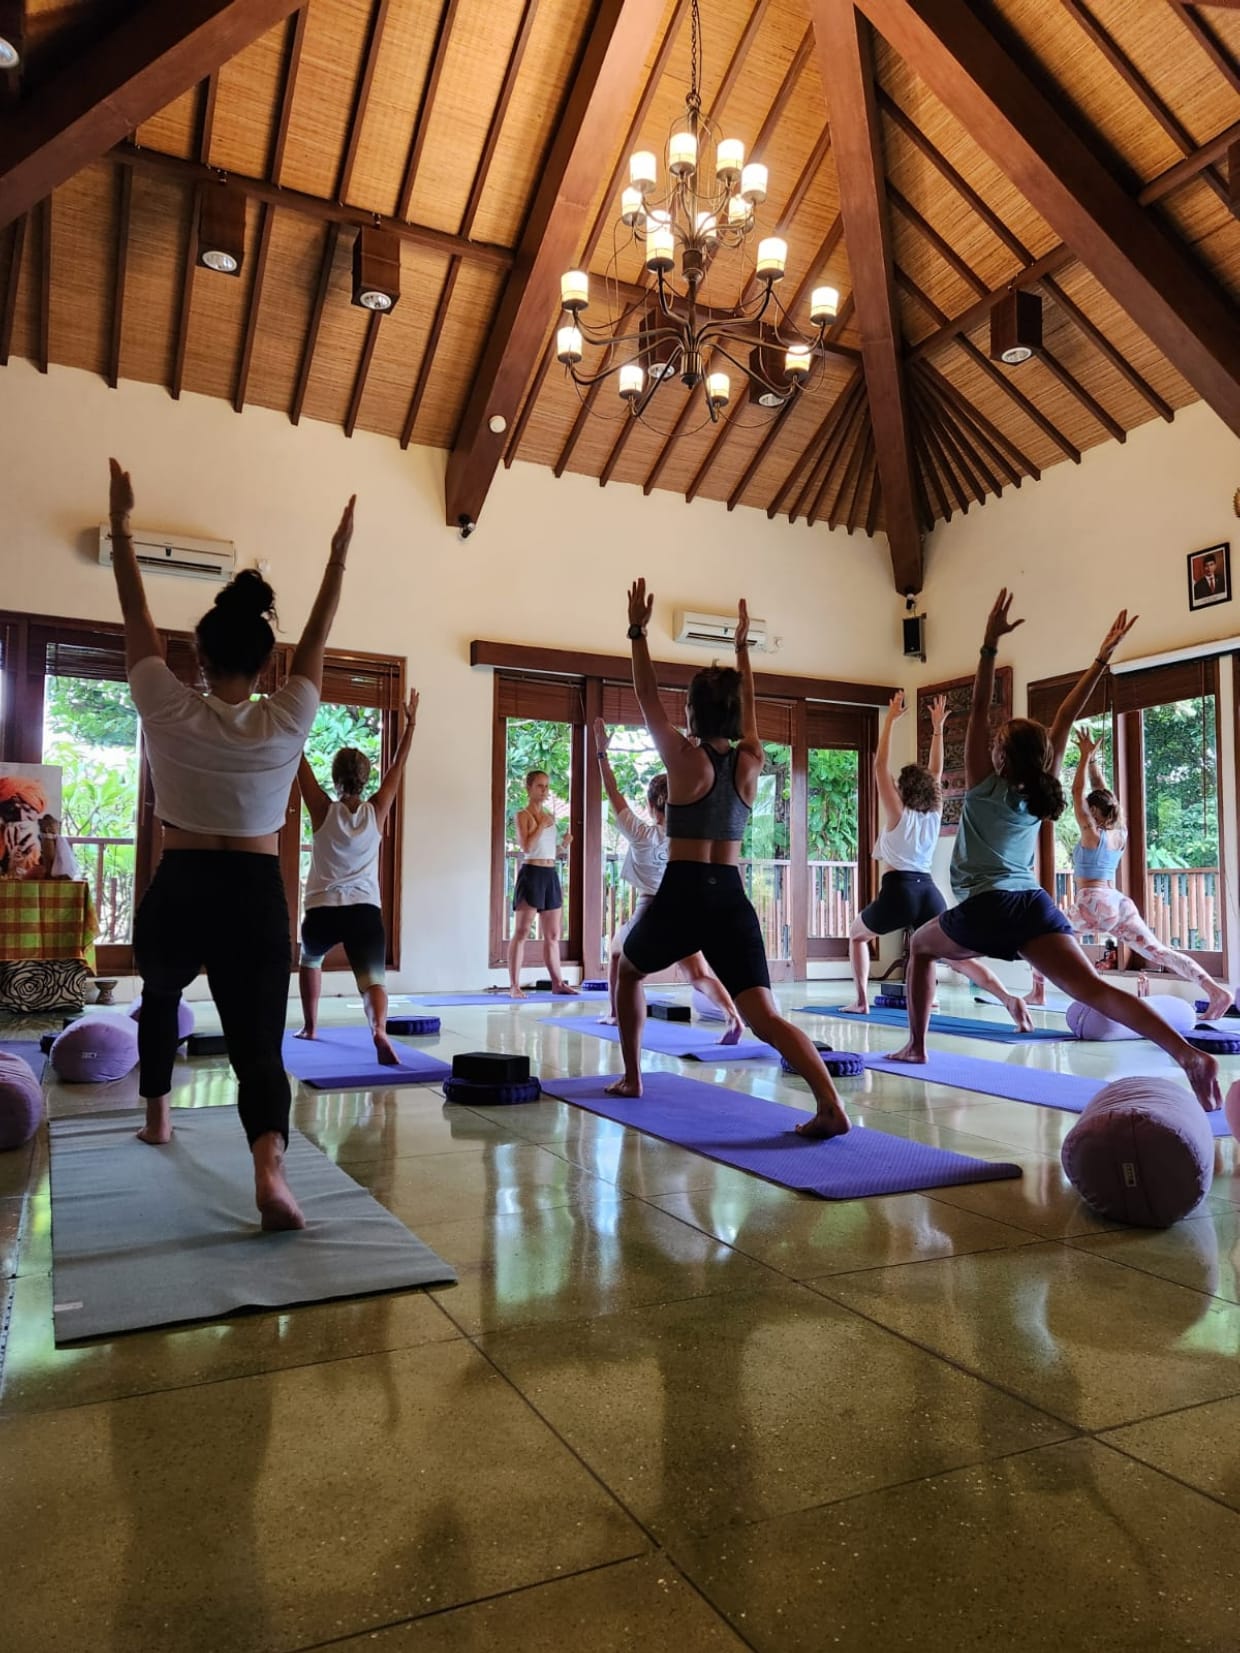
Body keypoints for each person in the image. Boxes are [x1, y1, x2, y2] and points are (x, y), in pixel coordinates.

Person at [107, 456, 356, 1229]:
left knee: (158, 995)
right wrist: (338, 556)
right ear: (269, 663)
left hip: (180, 884)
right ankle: (268, 1168)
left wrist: (120, 528)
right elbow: (317, 630)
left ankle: (157, 1117)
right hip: (253, 894)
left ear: (198, 657)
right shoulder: (287, 718)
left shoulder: (165, 704)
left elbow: (134, 614)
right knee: (258, 1042)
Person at [888, 589, 1222, 1114]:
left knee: (924, 949)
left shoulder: (982, 782)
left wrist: (987, 646)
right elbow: (1065, 715)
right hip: (1031, 905)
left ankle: (917, 1046)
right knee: (1091, 988)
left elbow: (977, 707)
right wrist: (1100, 659)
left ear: (999, 753)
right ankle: (1188, 1056)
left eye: (997, 742)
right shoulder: (1041, 788)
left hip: (987, 906)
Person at [608, 580, 851, 1140]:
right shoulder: (751, 759)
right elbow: (751, 714)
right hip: (730, 896)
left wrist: (639, 632)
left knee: (628, 970)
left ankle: (632, 1078)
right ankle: (830, 1105)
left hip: (683, 890)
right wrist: (743, 650)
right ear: (736, 714)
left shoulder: (684, 759)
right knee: (765, 1015)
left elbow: (646, 697)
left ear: (692, 711)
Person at [839, 689, 1034, 1030]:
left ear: (903, 790)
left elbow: (879, 766)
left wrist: (890, 722)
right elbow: (937, 769)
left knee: (857, 935)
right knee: (955, 956)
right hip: (928, 890)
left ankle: (860, 1000)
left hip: (899, 891)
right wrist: (938, 728)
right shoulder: (935, 810)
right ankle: (1008, 997)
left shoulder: (897, 812)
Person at [1028, 727, 1232, 1019]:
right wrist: (1095, 762)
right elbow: (1104, 794)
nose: (1084, 809)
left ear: (1094, 813)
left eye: (1089, 808)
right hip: (1118, 902)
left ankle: (1038, 992)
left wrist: (1084, 757)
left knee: (1042, 938)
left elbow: (1075, 792)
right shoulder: (1119, 832)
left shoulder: (1092, 834)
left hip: (1092, 902)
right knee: (1160, 951)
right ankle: (1215, 990)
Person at [593, 716, 744, 1042]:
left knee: (618, 954)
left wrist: (602, 753)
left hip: (650, 909)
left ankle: (616, 1013)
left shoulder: (641, 834)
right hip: (687, 906)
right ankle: (733, 1017)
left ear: (650, 806)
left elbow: (613, 792)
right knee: (698, 974)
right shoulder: (686, 835)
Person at [295, 690, 420, 1062]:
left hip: (322, 911)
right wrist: (411, 724)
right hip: (364, 911)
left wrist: (294, 715)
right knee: (373, 981)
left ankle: (311, 1026)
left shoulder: (321, 809)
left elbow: (298, 760)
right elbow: (398, 768)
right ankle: (378, 1030)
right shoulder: (376, 810)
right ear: (365, 779)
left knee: (309, 960)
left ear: (335, 778)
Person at [507, 769, 577, 998]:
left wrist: (564, 845)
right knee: (522, 930)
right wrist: (541, 825)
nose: (544, 790)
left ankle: (558, 982)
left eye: (546, 786)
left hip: (549, 873)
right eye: (539, 786)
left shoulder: (549, 816)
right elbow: (526, 847)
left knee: (553, 934)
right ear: (528, 788)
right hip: (531, 873)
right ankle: (514, 985)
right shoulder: (523, 815)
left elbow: (549, 850)